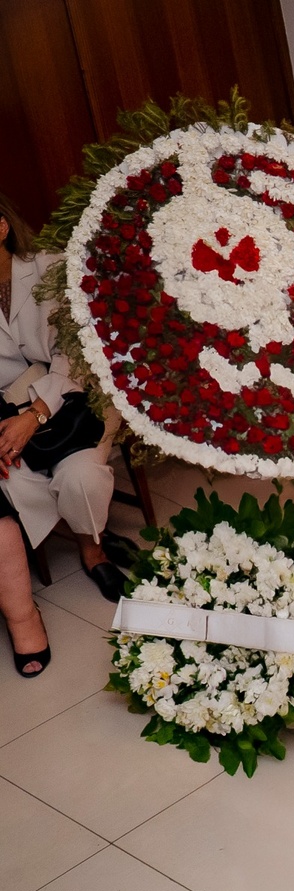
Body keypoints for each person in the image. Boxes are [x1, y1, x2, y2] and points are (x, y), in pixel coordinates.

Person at [0, 192, 128, 677]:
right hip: (9, 408)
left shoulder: (52, 268)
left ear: (1, 227)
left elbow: (78, 350)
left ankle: (91, 548)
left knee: (80, 478)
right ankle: (71, 535)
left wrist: (36, 410)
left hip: (76, 399)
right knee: (13, 479)